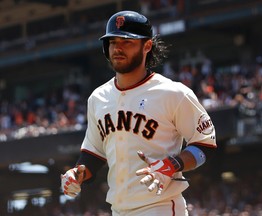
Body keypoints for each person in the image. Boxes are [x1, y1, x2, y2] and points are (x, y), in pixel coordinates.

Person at [61, 10, 217, 216]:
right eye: (113, 42)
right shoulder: (98, 98)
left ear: (147, 46)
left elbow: (205, 145)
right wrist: (76, 174)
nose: (117, 48)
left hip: (160, 207)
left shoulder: (173, 93)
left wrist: (173, 165)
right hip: (118, 210)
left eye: (127, 42)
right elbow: (93, 155)